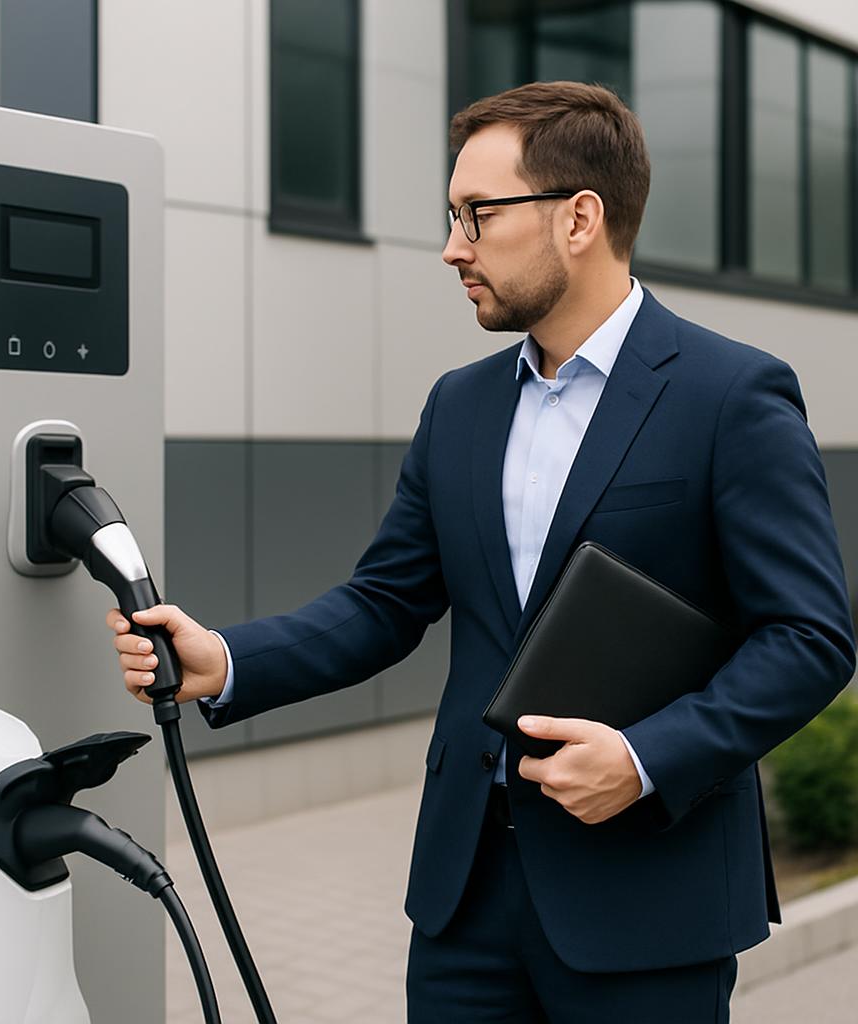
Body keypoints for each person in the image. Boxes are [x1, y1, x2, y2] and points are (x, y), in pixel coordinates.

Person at [107, 81, 856, 1022]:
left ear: (580, 217)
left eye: (479, 214)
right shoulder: (459, 404)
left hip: (647, 905)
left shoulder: (731, 396)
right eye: (451, 215)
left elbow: (810, 637)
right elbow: (385, 602)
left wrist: (646, 756)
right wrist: (224, 660)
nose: (454, 246)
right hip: (464, 902)